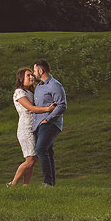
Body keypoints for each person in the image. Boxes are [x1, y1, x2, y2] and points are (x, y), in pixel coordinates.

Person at [7, 67, 56, 186]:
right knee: (30, 159)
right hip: (25, 129)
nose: (31, 77)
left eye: (31, 75)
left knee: (33, 160)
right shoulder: (19, 92)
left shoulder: (31, 92)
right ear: (21, 79)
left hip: (34, 127)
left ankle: (26, 185)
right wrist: (47, 109)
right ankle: (13, 184)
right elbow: (31, 108)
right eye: (28, 75)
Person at [32, 58, 66, 187]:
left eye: (35, 70)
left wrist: (48, 118)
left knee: (40, 149)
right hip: (39, 124)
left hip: (50, 123)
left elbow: (62, 105)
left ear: (41, 71)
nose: (34, 73)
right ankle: (51, 183)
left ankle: (47, 182)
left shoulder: (55, 85)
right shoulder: (39, 86)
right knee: (47, 151)